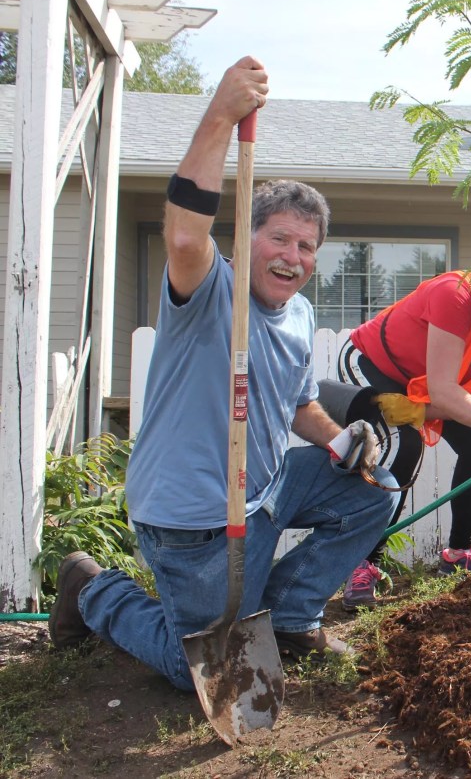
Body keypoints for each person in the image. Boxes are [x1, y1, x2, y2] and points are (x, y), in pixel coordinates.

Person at [47, 56, 400, 689]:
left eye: (306, 247)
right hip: (193, 518)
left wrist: (342, 440)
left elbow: (297, 403)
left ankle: (290, 617)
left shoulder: (297, 315)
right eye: (280, 239)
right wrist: (219, 114)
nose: (292, 257)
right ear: (245, 239)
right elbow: (184, 238)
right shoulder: (210, 290)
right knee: (200, 671)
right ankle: (92, 589)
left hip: (261, 491)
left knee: (378, 491)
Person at [334, 244, 471, 606]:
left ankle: (458, 554)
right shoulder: (455, 295)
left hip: (431, 390)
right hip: (375, 364)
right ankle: (362, 563)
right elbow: (445, 389)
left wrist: (424, 412)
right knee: (404, 445)